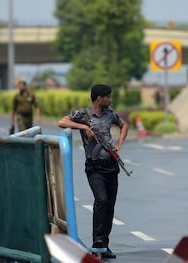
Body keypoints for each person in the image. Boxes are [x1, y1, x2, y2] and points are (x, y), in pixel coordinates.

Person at [58, 84, 129, 259]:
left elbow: (124, 125)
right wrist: (84, 128)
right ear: (99, 98)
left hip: (111, 166)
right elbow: (61, 122)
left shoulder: (110, 114)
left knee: (110, 205)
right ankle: (97, 241)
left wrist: (119, 142)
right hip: (94, 167)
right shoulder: (83, 114)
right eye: (108, 97)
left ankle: (104, 244)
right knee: (101, 200)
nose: (110, 100)